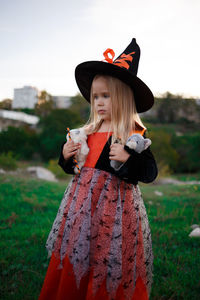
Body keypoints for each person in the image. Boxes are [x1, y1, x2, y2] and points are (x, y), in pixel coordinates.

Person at [38, 38, 158, 300]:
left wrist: (128, 159)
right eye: (95, 97)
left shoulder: (133, 134)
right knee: (79, 252)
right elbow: (76, 169)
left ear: (124, 98)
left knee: (109, 257)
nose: (99, 102)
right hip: (81, 211)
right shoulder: (87, 132)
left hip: (115, 214)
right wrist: (66, 156)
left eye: (106, 96)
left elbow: (150, 172)